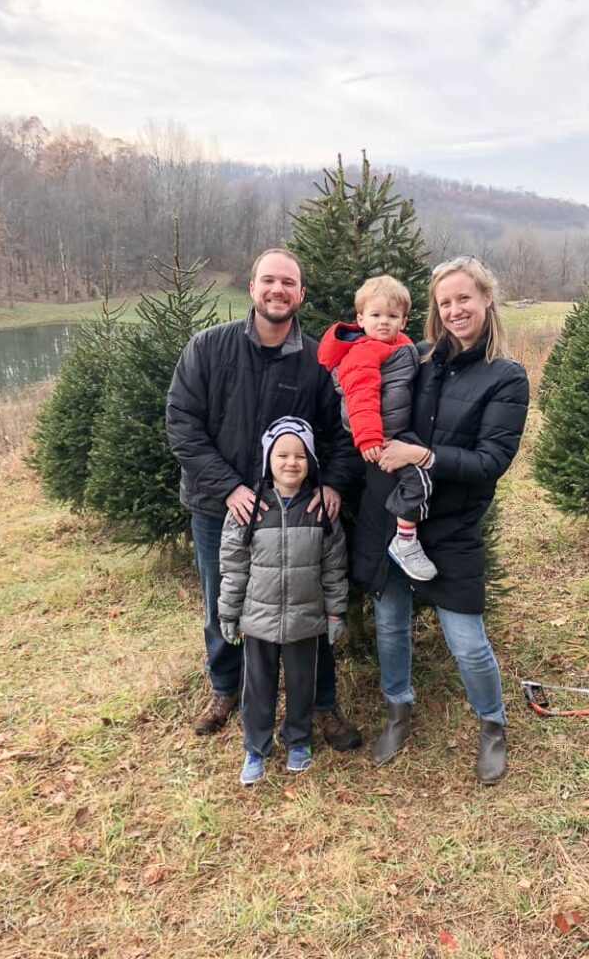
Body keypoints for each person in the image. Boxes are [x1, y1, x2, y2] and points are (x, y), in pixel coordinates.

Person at [166, 248, 361, 750]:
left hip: (294, 513)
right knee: (221, 598)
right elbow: (182, 425)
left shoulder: (317, 361)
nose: (278, 290)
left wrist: (334, 484)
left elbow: (343, 433)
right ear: (251, 288)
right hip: (219, 507)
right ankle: (225, 689)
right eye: (268, 281)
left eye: (288, 283)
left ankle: (321, 703)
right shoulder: (208, 348)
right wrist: (229, 487)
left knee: (306, 601)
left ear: (301, 294)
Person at [353, 256, 529, 784]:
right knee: (390, 624)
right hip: (389, 514)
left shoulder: (506, 377)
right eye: (444, 302)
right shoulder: (418, 358)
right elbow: (357, 383)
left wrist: (420, 456)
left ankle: (492, 725)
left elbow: (490, 462)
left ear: (486, 299)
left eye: (463, 299)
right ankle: (397, 710)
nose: (454, 310)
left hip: (450, 524)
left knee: (467, 641)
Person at [218, 417, 348, 785]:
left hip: (306, 620)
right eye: (282, 455)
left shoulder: (320, 510)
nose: (292, 463)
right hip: (257, 620)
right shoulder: (248, 511)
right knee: (257, 686)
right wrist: (229, 612)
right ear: (267, 460)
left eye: (300, 456)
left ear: (311, 462)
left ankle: (299, 740)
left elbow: (334, 566)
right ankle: (256, 748)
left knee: (302, 683)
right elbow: (233, 567)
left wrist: (336, 612)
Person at [317, 275, 437, 582]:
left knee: (420, 481)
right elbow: (360, 394)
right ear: (360, 319)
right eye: (375, 315)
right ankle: (405, 541)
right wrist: (369, 436)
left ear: (404, 320)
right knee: (418, 483)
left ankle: (404, 536)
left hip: (394, 431)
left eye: (392, 316)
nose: (384, 322)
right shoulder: (365, 351)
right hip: (380, 435)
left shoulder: (400, 345)